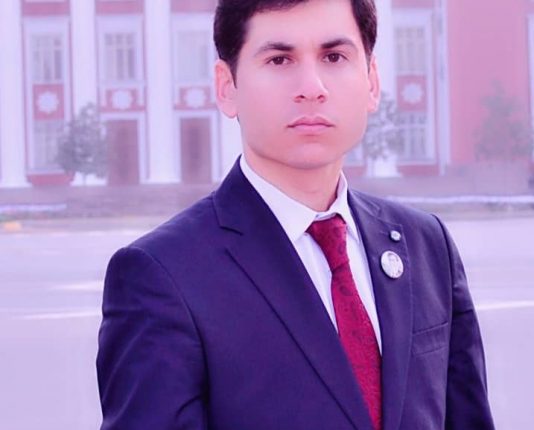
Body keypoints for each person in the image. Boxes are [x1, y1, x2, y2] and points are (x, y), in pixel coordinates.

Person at [96, 0, 494, 429]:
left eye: (334, 57)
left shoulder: (426, 245)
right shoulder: (162, 275)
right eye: (279, 59)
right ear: (227, 87)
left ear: (372, 81)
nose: (312, 87)